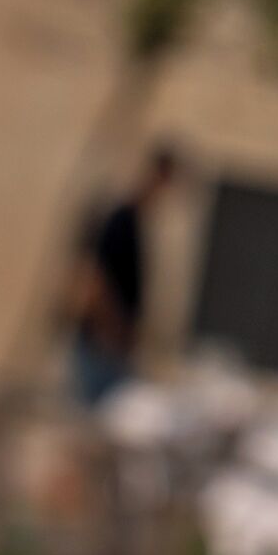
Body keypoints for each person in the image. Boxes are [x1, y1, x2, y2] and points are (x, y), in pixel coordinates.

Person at [67, 144, 181, 406]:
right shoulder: (121, 222)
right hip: (101, 344)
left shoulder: (136, 224)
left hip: (113, 344)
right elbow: (96, 279)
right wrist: (112, 332)